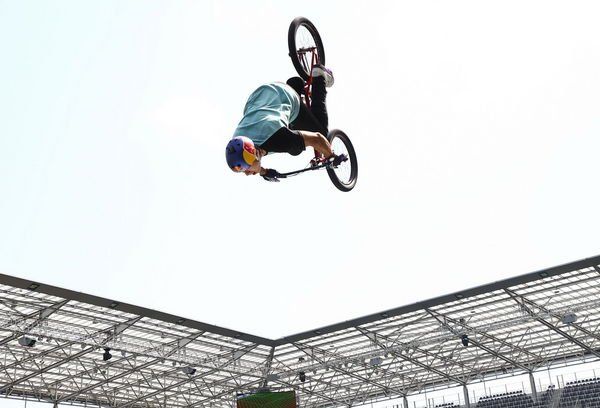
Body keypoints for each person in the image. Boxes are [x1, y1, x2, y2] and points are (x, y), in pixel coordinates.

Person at [225, 65, 341, 180]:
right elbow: (251, 160)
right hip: (259, 96)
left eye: (245, 169)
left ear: (254, 155)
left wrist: (331, 157)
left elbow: (318, 139)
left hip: (285, 95)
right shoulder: (238, 141)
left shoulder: (279, 139)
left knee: (319, 134)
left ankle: (319, 76)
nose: (246, 173)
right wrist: (264, 172)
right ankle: (295, 84)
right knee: (294, 147)